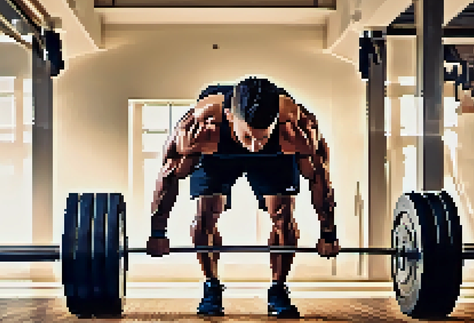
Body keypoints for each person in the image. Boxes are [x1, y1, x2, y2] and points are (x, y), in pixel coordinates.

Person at [145, 76, 340, 318]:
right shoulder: (203, 127)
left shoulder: (294, 128)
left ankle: (278, 289)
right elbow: (169, 175)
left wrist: (328, 233)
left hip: (276, 155)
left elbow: (319, 176)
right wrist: (158, 232)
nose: (255, 147)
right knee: (206, 212)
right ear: (229, 117)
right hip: (217, 152)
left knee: (283, 214)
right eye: (248, 137)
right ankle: (211, 286)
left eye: (262, 138)